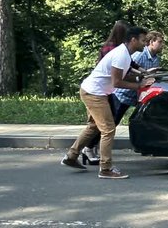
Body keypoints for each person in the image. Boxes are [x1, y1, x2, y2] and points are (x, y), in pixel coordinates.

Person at [60, 27, 154, 179]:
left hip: (94, 91)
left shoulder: (125, 54)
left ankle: (71, 156)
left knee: (93, 127)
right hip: (94, 93)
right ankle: (105, 168)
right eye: (143, 40)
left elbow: (123, 75)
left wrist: (139, 79)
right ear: (133, 40)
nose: (145, 44)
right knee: (108, 129)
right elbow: (116, 82)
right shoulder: (121, 55)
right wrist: (139, 85)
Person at [112, 31, 164, 124]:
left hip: (136, 96)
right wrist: (143, 76)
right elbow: (126, 73)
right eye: (160, 42)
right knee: (111, 123)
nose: (162, 45)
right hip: (122, 95)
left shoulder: (155, 58)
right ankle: (96, 139)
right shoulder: (139, 55)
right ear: (151, 42)